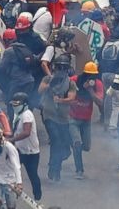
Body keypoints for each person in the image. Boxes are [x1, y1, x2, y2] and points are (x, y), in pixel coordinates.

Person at [38, 54, 75, 182]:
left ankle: (54, 166)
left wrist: (60, 100)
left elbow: (71, 98)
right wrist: (50, 84)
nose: (61, 71)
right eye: (59, 67)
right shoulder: (48, 79)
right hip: (49, 115)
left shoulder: (70, 82)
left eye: (63, 68)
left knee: (64, 146)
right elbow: (40, 90)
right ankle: (55, 169)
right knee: (56, 140)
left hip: (63, 118)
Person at [69, 61, 103, 180]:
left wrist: (90, 90)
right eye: (87, 75)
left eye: (92, 76)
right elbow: (64, 87)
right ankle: (79, 170)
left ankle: (74, 144)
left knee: (86, 146)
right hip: (72, 117)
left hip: (86, 120)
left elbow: (100, 102)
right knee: (77, 144)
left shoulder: (97, 84)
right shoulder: (75, 79)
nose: (90, 78)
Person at [8, 92, 41, 200]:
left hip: (31, 152)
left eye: (17, 105)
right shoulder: (17, 114)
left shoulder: (27, 114)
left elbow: (27, 132)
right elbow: (16, 130)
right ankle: (10, 194)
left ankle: (37, 198)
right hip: (19, 149)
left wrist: (12, 139)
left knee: (32, 175)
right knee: (12, 171)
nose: (14, 107)